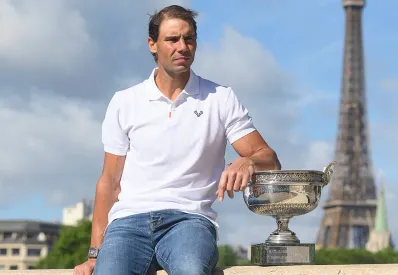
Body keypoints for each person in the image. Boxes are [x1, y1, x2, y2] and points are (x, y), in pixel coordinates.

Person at [73, 4, 281, 275]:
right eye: (172, 39)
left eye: (189, 38)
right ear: (152, 44)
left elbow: (271, 161)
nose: (182, 46)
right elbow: (109, 182)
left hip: (189, 222)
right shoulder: (125, 101)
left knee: (191, 271)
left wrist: (248, 161)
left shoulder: (220, 98)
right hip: (127, 224)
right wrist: (94, 254)